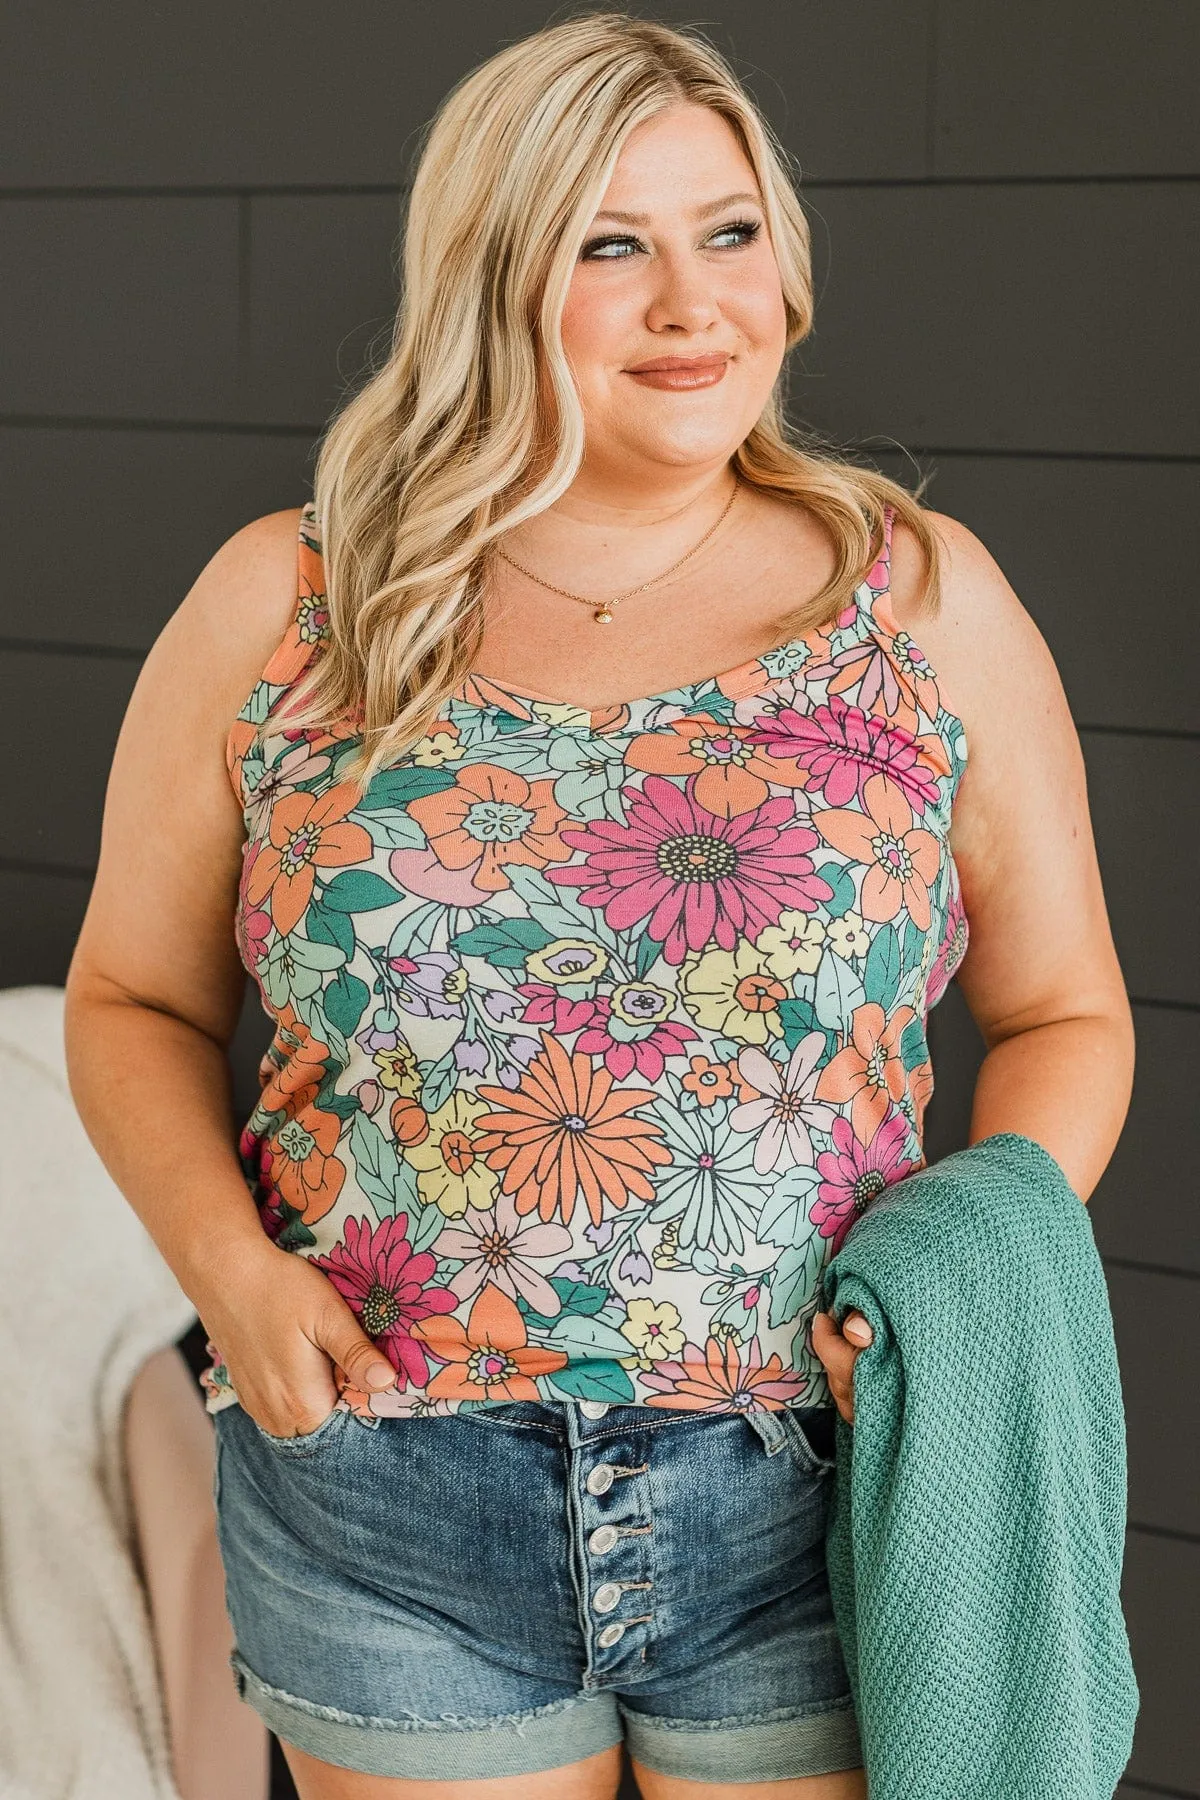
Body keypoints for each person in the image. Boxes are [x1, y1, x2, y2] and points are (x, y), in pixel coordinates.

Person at [62, 12, 1134, 1800]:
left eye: (728, 232)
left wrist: (947, 1293)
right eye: (608, 243)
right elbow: (129, 1000)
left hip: (807, 1481)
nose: (690, 301)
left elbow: (1067, 1018)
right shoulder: (295, 597)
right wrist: (228, 1277)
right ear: (494, 276)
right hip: (385, 1490)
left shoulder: (915, 604)